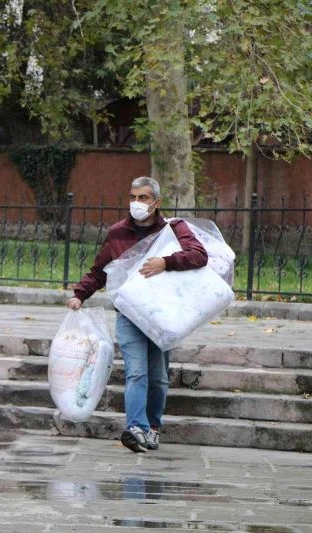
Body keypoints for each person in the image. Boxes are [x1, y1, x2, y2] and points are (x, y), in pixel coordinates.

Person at [67, 176, 207, 453]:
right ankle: (136, 428)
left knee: (158, 377)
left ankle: (153, 428)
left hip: (161, 315)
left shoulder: (173, 229)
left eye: (143, 198)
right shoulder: (118, 232)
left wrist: (165, 262)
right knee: (136, 373)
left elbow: (199, 255)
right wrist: (80, 294)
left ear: (156, 202)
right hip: (129, 313)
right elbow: (100, 270)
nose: (137, 203)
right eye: (133, 197)